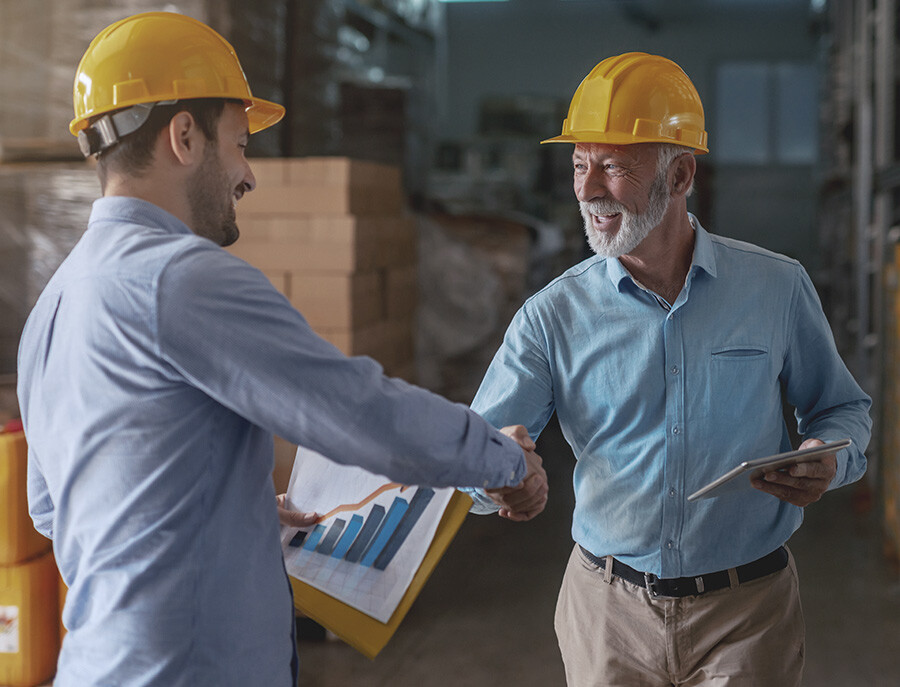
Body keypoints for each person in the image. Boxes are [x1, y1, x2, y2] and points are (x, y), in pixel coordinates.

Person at [15, 12, 547, 687]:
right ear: (184, 136)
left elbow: (57, 507)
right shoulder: (183, 278)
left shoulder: (53, 307)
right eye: (239, 144)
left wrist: (222, 513)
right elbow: (356, 410)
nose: (248, 174)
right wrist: (500, 459)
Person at [467, 52, 871, 686]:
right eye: (579, 164)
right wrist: (497, 477)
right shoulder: (552, 315)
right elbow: (472, 453)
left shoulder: (776, 288)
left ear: (681, 174)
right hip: (607, 613)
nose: (587, 189)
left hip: (749, 612)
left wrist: (830, 457)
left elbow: (844, 409)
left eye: (613, 167)